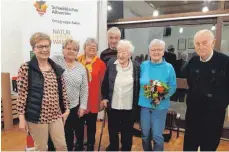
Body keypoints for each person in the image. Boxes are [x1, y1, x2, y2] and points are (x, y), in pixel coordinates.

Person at [16, 32, 69, 151]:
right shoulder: (26, 68)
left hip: (56, 115)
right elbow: (22, 94)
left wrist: (67, 109)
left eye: (47, 46)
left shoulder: (55, 67)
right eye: (40, 46)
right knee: (41, 148)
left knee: (62, 146)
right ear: (33, 49)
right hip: (37, 116)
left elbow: (63, 91)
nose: (44, 49)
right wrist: (21, 118)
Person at [182, 29, 229, 151]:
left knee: (208, 147)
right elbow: (190, 82)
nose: (200, 46)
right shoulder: (193, 62)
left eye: (204, 42)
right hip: (193, 114)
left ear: (213, 43)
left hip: (213, 116)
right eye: (197, 43)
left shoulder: (225, 62)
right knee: (188, 147)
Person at [101, 40, 140, 151]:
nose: (120, 55)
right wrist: (104, 98)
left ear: (130, 54)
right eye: (119, 52)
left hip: (129, 106)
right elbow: (105, 83)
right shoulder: (111, 64)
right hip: (113, 105)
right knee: (112, 130)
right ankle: (113, 147)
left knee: (127, 131)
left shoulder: (136, 66)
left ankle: (126, 149)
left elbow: (139, 86)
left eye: (124, 52)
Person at [138, 39, 177, 151]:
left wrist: (162, 96)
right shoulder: (143, 65)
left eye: (159, 49)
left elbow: (173, 86)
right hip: (144, 106)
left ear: (163, 51)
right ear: (149, 51)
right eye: (153, 49)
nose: (156, 52)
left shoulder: (169, 67)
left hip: (160, 107)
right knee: (145, 135)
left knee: (157, 136)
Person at [52, 39, 88, 151]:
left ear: (77, 52)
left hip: (73, 106)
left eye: (74, 49)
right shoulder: (55, 63)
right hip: (56, 107)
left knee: (69, 133)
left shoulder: (81, 68)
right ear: (63, 50)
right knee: (55, 135)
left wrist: (83, 106)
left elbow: (84, 88)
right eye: (68, 48)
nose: (71, 51)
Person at [77, 38, 106, 151]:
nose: (92, 47)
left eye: (94, 46)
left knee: (91, 125)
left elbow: (104, 83)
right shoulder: (77, 61)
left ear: (97, 49)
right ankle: (79, 144)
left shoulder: (101, 64)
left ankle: (90, 146)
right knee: (79, 125)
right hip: (79, 100)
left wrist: (103, 99)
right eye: (89, 45)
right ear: (84, 48)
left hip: (94, 99)